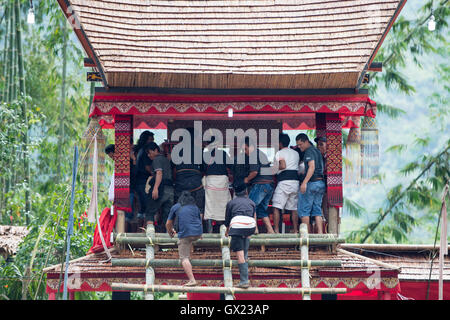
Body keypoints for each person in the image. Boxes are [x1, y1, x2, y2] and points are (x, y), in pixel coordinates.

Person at [166, 191, 203, 287]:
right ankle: (190, 253)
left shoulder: (176, 207)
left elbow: (168, 223)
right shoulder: (195, 207)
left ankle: (192, 280)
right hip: (198, 232)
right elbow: (198, 219)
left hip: (186, 234)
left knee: (184, 258)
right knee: (189, 240)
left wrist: (170, 232)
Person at [224, 180, 257, 289]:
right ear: (246, 192)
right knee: (244, 250)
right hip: (250, 225)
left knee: (240, 255)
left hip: (237, 225)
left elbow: (228, 219)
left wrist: (227, 230)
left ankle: (244, 281)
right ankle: (245, 256)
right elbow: (252, 216)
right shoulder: (252, 202)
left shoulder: (231, 203)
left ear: (235, 192)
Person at [242, 137, 275, 233]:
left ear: (251, 147)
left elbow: (254, 172)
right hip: (269, 185)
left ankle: (254, 229)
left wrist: (246, 179)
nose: (245, 152)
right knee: (261, 210)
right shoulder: (261, 153)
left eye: (245, 149)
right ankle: (270, 231)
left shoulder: (253, 155)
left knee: (250, 206)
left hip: (260, 184)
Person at [296, 133, 326, 234]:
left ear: (306, 141)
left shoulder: (308, 151)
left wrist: (304, 183)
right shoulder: (317, 151)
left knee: (305, 211)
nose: (299, 147)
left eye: (300, 144)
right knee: (317, 211)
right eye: (298, 145)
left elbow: (311, 167)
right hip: (320, 184)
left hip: (312, 183)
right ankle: (320, 234)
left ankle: (306, 236)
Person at [173, 128, 205, 220]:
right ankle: (199, 228)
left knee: (179, 207)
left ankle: (178, 228)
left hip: (180, 183)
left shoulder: (176, 149)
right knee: (199, 208)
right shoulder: (199, 150)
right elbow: (203, 168)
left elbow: (173, 167)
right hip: (196, 184)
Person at [202, 136, 232, 233]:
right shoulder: (223, 153)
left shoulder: (204, 155)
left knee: (210, 207)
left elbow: (202, 169)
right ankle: (223, 231)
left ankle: (209, 232)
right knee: (223, 207)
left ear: (207, 144)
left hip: (210, 183)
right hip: (222, 183)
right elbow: (231, 166)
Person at [272, 133, 300, 233]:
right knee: (294, 208)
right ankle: (296, 230)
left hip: (284, 182)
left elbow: (283, 166)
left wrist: (273, 168)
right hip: (295, 182)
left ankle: (276, 230)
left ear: (279, 143)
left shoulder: (279, 153)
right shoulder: (296, 153)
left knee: (276, 206)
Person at [144, 142, 174, 231]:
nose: (149, 155)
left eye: (150, 152)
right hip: (170, 190)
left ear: (156, 150)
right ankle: (167, 238)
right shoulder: (166, 160)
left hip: (161, 189)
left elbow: (159, 173)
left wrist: (155, 188)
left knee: (150, 211)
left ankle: (150, 236)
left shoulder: (157, 159)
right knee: (166, 215)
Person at [135, 131, 155, 227]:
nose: (152, 142)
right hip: (143, 182)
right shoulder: (145, 152)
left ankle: (140, 229)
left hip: (139, 182)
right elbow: (148, 168)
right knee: (147, 207)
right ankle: (144, 229)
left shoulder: (140, 150)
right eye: (150, 140)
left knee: (142, 207)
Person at [314, 136, 328, 231]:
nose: (319, 147)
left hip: (327, 189)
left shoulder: (329, 158)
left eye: (321, 144)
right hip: (322, 187)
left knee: (326, 211)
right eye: (318, 145)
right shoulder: (321, 157)